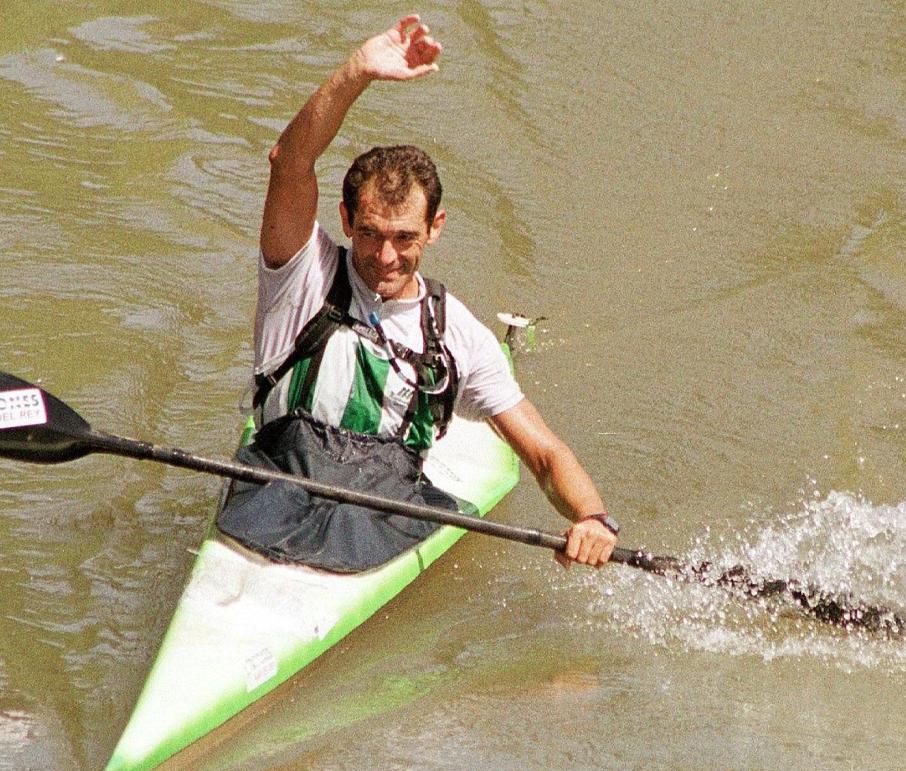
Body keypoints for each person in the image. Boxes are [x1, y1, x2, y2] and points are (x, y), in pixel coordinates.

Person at [215, 15, 618, 571]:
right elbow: (290, 164)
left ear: (435, 228)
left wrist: (592, 518)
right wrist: (359, 70)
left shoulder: (457, 335)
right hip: (272, 494)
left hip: (380, 521)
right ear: (346, 219)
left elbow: (546, 455)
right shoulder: (300, 277)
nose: (384, 257)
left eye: (405, 238)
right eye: (369, 234)